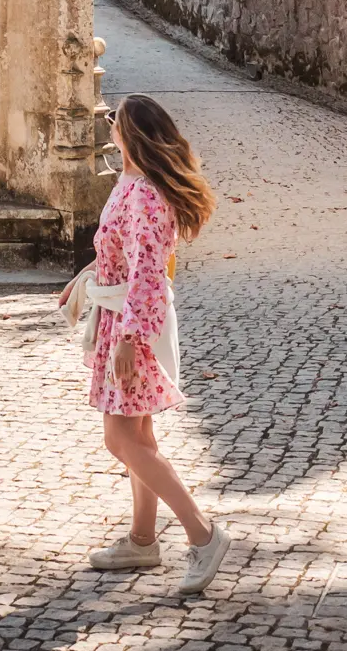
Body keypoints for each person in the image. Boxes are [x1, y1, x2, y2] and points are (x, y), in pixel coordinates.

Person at [61, 94, 225, 595]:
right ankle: (142, 541)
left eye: (113, 119)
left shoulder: (147, 196)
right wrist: (85, 278)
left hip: (135, 327)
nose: (107, 125)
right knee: (140, 437)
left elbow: (149, 276)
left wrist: (131, 339)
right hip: (119, 317)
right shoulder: (128, 184)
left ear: (129, 134)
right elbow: (119, 258)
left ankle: (204, 535)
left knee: (121, 439)